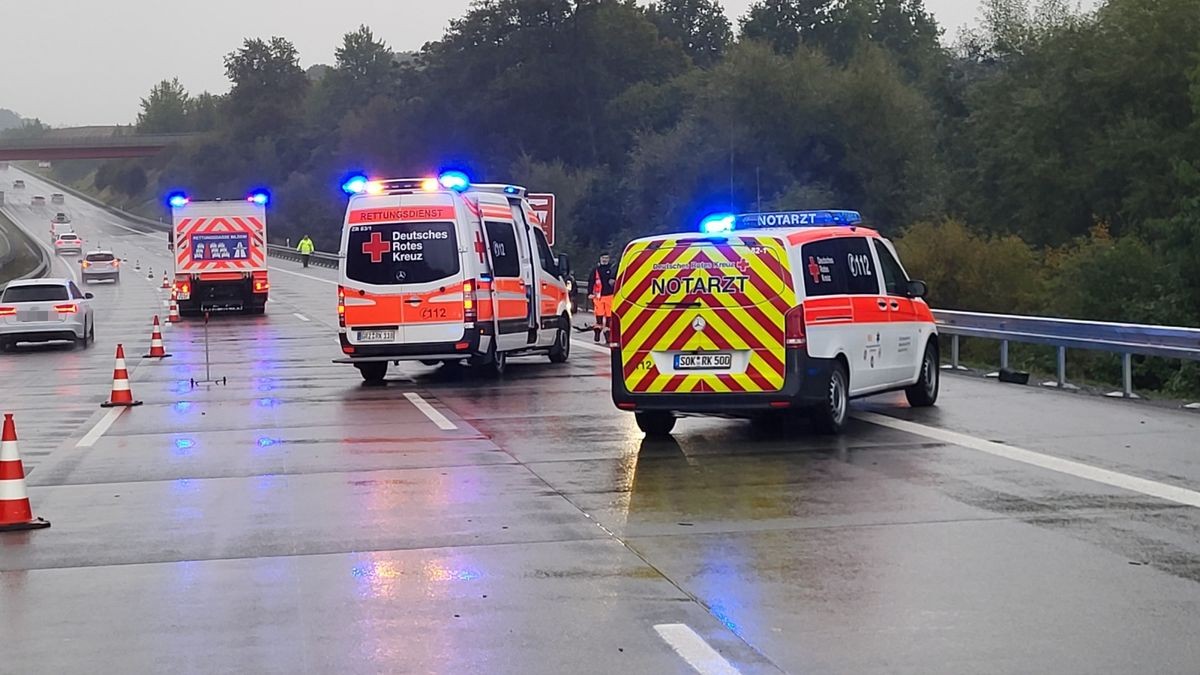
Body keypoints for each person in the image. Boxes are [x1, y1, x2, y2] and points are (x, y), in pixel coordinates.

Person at [588, 253, 618, 343]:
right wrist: (589, 293)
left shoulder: (612, 269)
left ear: (609, 259)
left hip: (610, 296)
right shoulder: (596, 270)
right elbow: (591, 281)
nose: (605, 259)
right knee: (599, 316)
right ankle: (597, 333)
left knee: (609, 318)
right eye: (603, 258)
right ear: (600, 258)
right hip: (598, 297)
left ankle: (607, 336)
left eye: (606, 258)